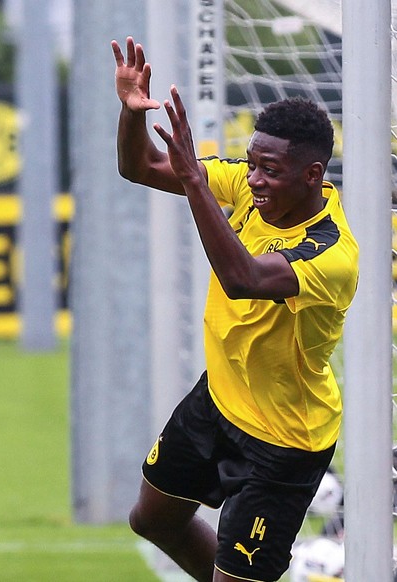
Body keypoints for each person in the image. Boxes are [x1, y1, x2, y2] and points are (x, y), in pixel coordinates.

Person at [111, 36, 359, 582]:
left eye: (268, 170)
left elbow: (242, 277)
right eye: (250, 165)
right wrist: (131, 113)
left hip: (284, 441)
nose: (253, 179)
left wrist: (197, 184)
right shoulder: (252, 190)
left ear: (312, 175)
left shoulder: (332, 253)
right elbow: (141, 167)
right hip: (220, 400)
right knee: (152, 519)